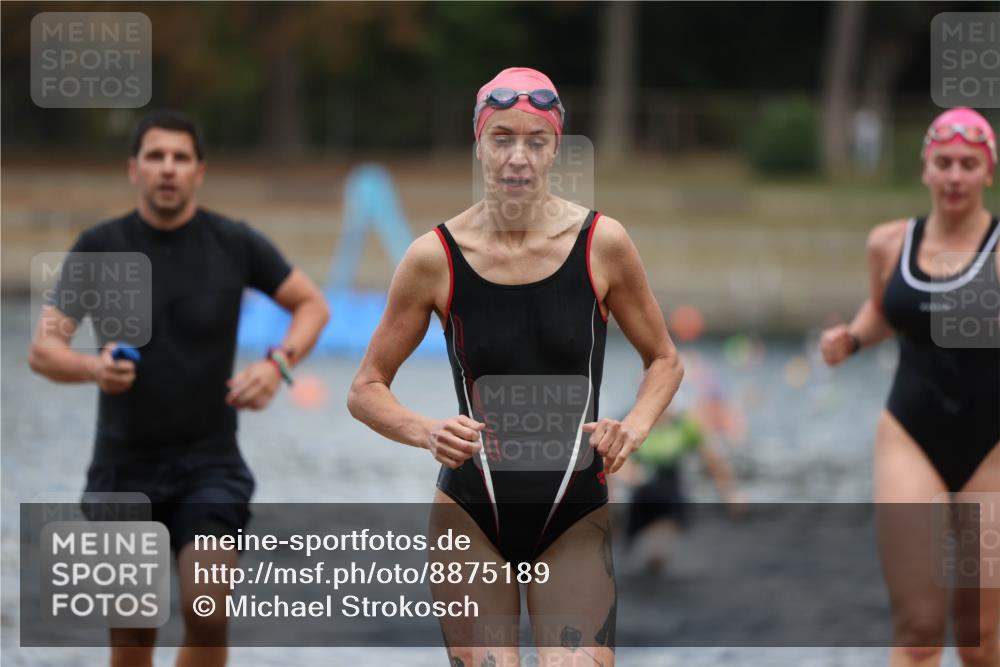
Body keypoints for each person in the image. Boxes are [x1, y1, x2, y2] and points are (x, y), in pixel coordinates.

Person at [348, 67, 683, 666]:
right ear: (479, 144)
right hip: (472, 512)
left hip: (575, 509)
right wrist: (426, 430)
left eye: (535, 140)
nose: (518, 157)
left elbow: (663, 360)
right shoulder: (434, 257)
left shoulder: (602, 244)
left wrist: (632, 428)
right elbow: (366, 388)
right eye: (502, 137)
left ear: (557, 148)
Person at [28, 110, 330, 667]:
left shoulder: (234, 242)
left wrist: (277, 366)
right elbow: (43, 350)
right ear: (134, 170)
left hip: (210, 463)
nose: (168, 168)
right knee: (135, 634)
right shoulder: (100, 247)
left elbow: (311, 304)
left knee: (209, 613)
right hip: (123, 467)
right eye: (155, 156)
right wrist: (94, 369)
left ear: (199, 171)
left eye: (180, 157)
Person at [820, 107, 999, 667]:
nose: (954, 176)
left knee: (981, 637)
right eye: (943, 162)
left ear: (987, 173)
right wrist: (851, 338)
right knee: (919, 629)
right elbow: (883, 309)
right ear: (924, 168)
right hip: (910, 432)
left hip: (992, 443)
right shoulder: (888, 243)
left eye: (969, 164)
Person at [621, 404, 745, 576]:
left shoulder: (684, 426)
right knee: (629, 557)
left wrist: (731, 494)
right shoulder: (631, 423)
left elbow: (712, 460)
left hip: (672, 496)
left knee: (657, 554)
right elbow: (615, 459)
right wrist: (628, 473)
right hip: (641, 498)